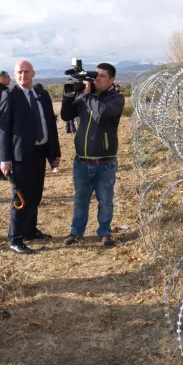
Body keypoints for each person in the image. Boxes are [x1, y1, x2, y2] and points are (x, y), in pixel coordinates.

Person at [0, 60, 61, 254]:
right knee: (21, 197)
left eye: (26, 72)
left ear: (33, 73)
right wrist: (4, 159)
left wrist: (54, 153)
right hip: (20, 156)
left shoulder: (42, 95)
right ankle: (15, 238)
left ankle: (30, 230)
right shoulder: (10, 96)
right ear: (15, 75)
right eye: (19, 72)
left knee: (36, 194)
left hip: (40, 153)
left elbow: (50, 123)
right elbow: (4, 130)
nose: (23, 75)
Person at [61, 63, 124, 247]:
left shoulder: (116, 98)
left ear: (111, 80)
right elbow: (66, 115)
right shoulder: (84, 96)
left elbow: (102, 111)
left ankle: (105, 232)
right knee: (80, 199)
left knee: (105, 200)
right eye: (95, 75)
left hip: (105, 162)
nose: (97, 79)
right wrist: (69, 94)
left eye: (102, 76)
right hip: (81, 161)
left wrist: (87, 95)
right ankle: (76, 232)